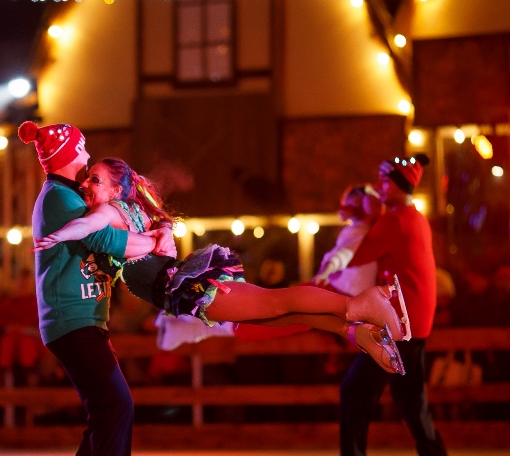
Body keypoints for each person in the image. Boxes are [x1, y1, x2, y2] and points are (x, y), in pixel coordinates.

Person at [34, 157, 408, 373]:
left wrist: (59, 233)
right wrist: (159, 232)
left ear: (116, 190)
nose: (85, 185)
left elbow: (90, 227)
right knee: (278, 314)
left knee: (278, 303)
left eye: (94, 180)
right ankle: (357, 333)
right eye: (86, 179)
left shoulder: (110, 212)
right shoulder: (132, 212)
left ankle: (360, 304)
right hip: (187, 290)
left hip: (191, 289)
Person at [20, 120, 175, 456]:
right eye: (83, 151)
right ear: (68, 154)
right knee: (117, 405)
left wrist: (157, 232)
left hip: (83, 320)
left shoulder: (71, 195)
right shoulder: (60, 197)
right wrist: (154, 241)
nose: (87, 157)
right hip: (72, 319)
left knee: (108, 411)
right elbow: (108, 241)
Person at [316, 154, 454, 456]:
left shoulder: (395, 221)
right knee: (410, 399)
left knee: (355, 389)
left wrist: (360, 219)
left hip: (398, 325)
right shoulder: (414, 218)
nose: (379, 187)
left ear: (400, 185)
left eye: (385, 181)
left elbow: (357, 255)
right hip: (412, 323)